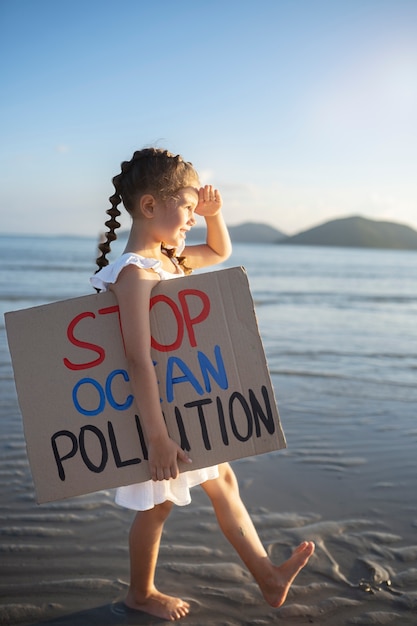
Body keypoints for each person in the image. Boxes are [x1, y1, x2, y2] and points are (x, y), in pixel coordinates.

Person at [90, 148, 315, 622]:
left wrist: (216, 216)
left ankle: (268, 577)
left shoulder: (167, 258)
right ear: (150, 206)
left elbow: (218, 252)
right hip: (153, 418)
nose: (193, 218)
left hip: (182, 406)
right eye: (188, 208)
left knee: (223, 480)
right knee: (155, 508)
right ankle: (140, 594)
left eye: (196, 208)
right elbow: (136, 357)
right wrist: (156, 438)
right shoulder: (134, 273)